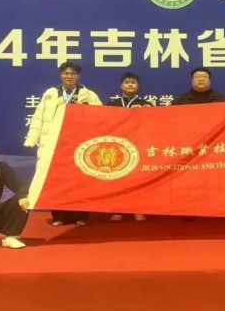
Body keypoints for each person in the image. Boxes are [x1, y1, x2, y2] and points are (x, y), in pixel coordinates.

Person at [24, 61, 102, 226]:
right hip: (54, 143)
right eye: (66, 73)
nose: (69, 76)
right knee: (56, 179)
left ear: (78, 76)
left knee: (81, 179)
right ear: (61, 75)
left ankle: (81, 215)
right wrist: (31, 139)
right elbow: (38, 117)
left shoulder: (89, 95)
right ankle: (59, 216)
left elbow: (100, 117)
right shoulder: (50, 94)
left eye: (72, 74)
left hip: (79, 143)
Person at [172, 67, 225, 221]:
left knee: (221, 180)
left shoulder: (223, 99)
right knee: (191, 180)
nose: (201, 79)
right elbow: (169, 122)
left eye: (204, 76)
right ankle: (190, 209)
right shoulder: (180, 101)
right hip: (191, 147)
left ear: (210, 80)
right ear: (192, 80)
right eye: (197, 76)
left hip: (216, 146)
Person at [106, 71, 152, 222]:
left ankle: (139, 210)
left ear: (138, 86)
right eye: (127, 82)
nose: (130, 85)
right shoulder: (112, 105)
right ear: (121, 86)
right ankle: (117, 210)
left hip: (139, 147)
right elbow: (106, 126)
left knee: (138, 180)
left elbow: (154, 126)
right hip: (118, 148)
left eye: (133, 82)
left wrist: (145, 114)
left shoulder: (146, 105)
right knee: (118, 180)